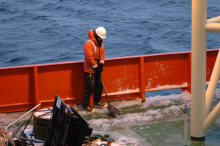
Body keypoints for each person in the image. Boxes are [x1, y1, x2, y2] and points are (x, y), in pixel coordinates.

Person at [82, 27, 107, 112]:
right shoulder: (89, 44)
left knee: (99, 85)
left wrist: (101, 64)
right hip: (89, 69)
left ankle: (97, 102)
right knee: (89, 87)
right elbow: (89, 57)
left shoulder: (101, 42)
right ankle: (85, 105)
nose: (101, 39)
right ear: (96, 35)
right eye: (100, 37)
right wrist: (95, 67)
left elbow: (102, 53)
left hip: (97, 67)